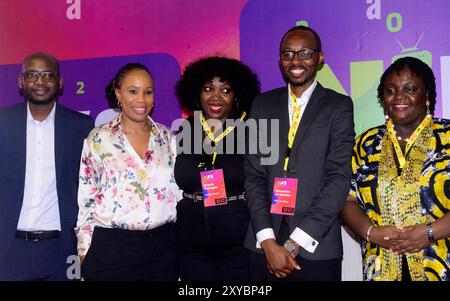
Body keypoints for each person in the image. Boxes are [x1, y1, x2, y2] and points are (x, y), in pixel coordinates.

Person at [244, 25, 355, 281]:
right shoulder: (263, 104)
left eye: (305, 53)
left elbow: (338, 179)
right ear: (280, 60)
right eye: (287, 54)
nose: (295, 61)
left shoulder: (337, 106)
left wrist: (293, 244)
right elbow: (254, 176)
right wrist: (268, 242)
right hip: (263, 244)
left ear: (320, 58)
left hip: (314, 244)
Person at [341, 56, 450, 281]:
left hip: (441, 263)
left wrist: (430, 232)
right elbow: (347, 199)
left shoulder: (448, 136)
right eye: (391, 90)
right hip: (380, 267)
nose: (399, 96)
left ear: (427, 95)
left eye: (410, 89)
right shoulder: (367, 143)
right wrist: (371, 232)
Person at [76, 63, 181, 280]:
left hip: (163, 249)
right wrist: (84, 251)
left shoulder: (167, 138)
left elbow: (178, 194)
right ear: (118, 94)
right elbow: (87, 199)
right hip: (111, 250)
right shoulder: (98, 139)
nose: (141, 99)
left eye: (148, 92)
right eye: (133, 91)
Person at [0, 52, 94, 280]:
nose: (40, 82)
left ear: (59, 82)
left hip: (61, 250)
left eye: (48, 75)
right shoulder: (3, 123)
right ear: (21, 82)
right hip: (10, 248)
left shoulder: (81, 127)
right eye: (32, 75)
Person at [174, 56, 260, 280]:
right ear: (197, 93)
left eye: (226, 90)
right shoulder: (187, 128)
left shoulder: (250, 130)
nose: (216, 96)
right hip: (191, 241)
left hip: (238, 240)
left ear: (237, 94)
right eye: (208, 88)